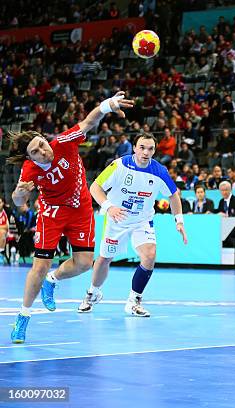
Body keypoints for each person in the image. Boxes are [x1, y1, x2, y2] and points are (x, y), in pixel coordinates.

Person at [8, 91, 134, 343]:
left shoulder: (63, 142)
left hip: (81, 209)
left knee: (85, 262)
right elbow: (18, 202)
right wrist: (20, 193)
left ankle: (52, 280)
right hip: (52, 212)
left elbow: (88, 122)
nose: (43, 152)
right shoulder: (29, 170)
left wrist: (108, 105)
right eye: (35, 152)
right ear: (29, 157)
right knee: (40, 265)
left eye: (42, 144)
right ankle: (23, 317)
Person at [78, 133, 188, 316]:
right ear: (135, 148)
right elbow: (95, 187)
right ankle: (92, 292)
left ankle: (134, 300)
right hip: (117, 219)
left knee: (150, 255)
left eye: (150, 149)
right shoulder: (119, 165)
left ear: (154, 150)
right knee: (104, 259)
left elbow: (173, 195)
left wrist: (179, 221)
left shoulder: (159, 171)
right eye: (142, 147)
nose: (146, 152)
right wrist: (108, 206)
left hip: (142, 221)